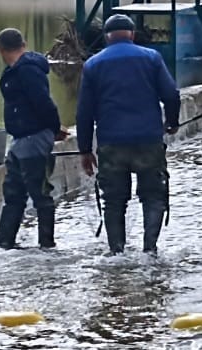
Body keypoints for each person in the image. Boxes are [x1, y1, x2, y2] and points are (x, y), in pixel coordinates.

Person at [77, 14, 181, 254]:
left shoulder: (93, 65)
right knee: (153, 196)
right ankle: (149, 249)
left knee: (114, 200)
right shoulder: (151, 58)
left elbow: (84, 113)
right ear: (132, 34)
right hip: (148, 141)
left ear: (106, 37)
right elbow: (171, 95)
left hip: (111, 144)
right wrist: (171, 123)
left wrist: (85, 150)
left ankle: (117, 252)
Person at [0, 28, 69, 250]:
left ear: (0, 50)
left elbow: (44, 103)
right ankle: (4, 244)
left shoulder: (27, 71)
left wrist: (54, 128)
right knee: (13, 193)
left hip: (34, 139)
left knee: (40, 193)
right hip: (20, 139)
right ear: (24, 44)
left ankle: (46, 245)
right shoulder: (16, 70)